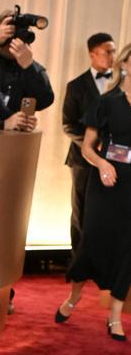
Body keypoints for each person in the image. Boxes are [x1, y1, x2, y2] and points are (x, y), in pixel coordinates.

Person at [56, 43, 131, 341]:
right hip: (106, 179)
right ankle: (74, 298)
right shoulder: (106, 102)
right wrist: (102, 165)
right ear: (124, 64)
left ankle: (115, 316)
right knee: (92, 242)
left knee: (127, 249)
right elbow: (87, 147)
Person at [62, 32, 117, 256]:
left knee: (113, 210)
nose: (112, 56)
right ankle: (79, 262)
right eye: (108, 51)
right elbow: (68, 124)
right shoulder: (76, 86)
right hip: (82, 160)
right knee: (81, 210)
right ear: (92, 54)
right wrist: (92, 144)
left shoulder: (121, 84)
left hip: (116, 158)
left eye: (114, 51)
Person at [0, 8, 54, 113]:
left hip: (16, 128)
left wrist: (29, 67)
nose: (18, 41)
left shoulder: (31, 66)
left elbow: (45, 101)